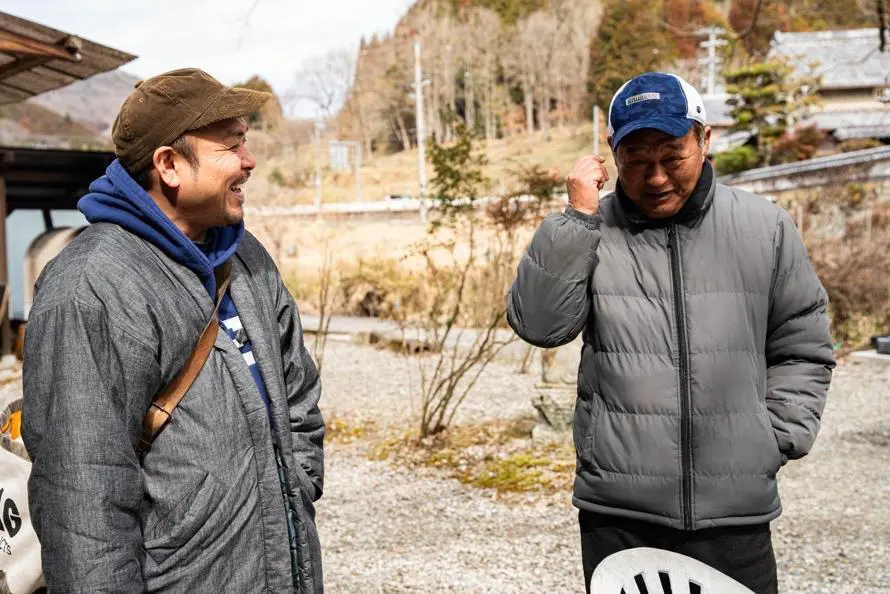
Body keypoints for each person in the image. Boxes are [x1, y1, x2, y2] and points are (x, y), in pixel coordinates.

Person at [506, 72, 835, 594]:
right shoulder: (591, 231)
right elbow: (540, 326)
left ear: (705, 140)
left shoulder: (765, 227)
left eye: (672, 156)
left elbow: (803, 346)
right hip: (619, 510)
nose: (656, 177)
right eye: (636, 160)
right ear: (612, 153)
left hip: (734, 511)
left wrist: (773, 437)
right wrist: (576, 219)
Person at [22, 68, 324, 593]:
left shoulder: (247, 257)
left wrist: (296, 483)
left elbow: (299, 394)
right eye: (231, 145)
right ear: (169, 165)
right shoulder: (92, 287)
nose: (249, 161)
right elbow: (81, 500)